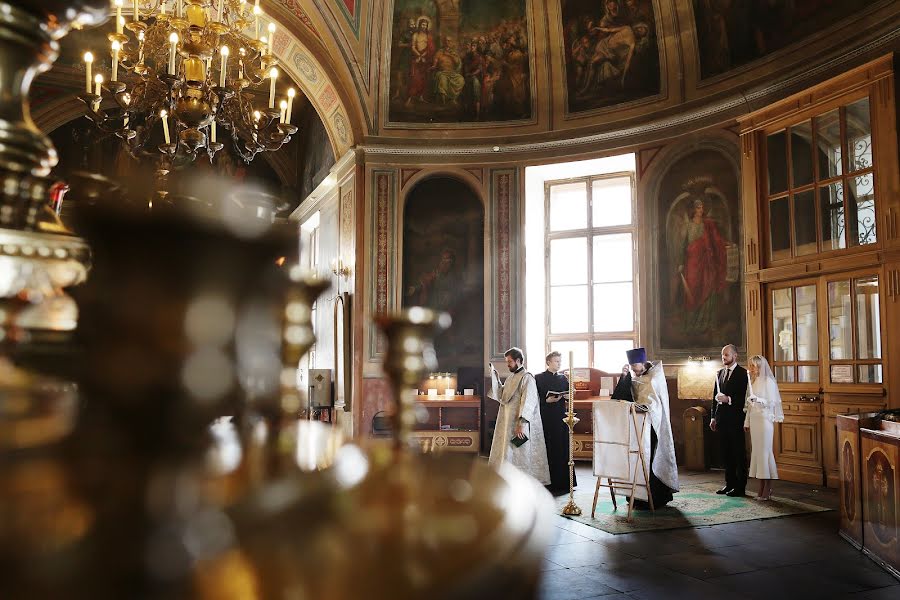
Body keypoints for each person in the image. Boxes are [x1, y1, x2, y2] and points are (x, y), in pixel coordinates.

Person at [610, 347, 679, 508]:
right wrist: (624, 377)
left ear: (643, 362)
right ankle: (637, 496)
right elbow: (621, 397)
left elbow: (656, 403)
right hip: (636, 425)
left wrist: (645, 408)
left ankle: (655, 497)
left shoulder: (655, 377)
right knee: (636, 460)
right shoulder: (634, 376)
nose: (634, 369)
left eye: (635, 365)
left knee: (651, 459)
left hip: (653, 427)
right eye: (631, 366)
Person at [488, 347, 550, 485]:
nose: (507, 364)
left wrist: (521, 425)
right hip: (507, 421)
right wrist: (496, 379)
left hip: (520, 423)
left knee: (520, 452)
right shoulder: (511, 377)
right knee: (509, 452)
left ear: (518, 360)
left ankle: (522, 484)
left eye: (509, 362)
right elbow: (502, 396)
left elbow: (528, 402)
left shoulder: (527, 378)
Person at [710, 344, 749, 496]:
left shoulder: (743, 373)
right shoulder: (719, 373)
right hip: (722, 420)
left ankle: (740, 487)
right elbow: (714, 397)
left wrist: (729, 399)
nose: (723, 357)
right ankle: (729, 484)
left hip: (736, 419)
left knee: (738, 454)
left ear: (735, 355)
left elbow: (745, 398)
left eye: (726, 355)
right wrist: (713, 417)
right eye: (722, 355)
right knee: (726, 454)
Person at [743, 355, 783, 501]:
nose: (751, 368)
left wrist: (758, 399)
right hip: (754, 421)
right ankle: (761, 487)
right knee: (758, 453)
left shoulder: (769, 382)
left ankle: (768, 488)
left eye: (754, 366)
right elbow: (749, 407)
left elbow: (772, 403)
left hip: (765, 421)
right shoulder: (753, 382)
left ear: (760, 366)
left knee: (765, 452)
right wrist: (746, 422)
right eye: (751, 365)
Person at [535, 351, 575, 496]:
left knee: (561, 447)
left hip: (560, 417)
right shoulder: (538, 378)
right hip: (545, 417)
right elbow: (534, 399)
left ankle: (563, 482)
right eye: (556, 361)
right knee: (548, 448)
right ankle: (548, 482)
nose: (559, 363)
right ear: (548, 362)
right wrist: (545, 401)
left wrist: (569, 395)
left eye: (560, 361)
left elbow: (570, 396)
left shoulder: (563, 378)